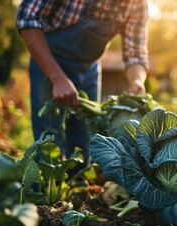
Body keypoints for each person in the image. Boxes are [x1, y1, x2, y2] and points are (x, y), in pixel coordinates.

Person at [16, 0, 149, 176]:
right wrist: (57, 78)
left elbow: (135, 53)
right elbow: (27, 20)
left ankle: (77, 194)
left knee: (84, 142)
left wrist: (137, 80)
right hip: (48, 61)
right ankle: (43, 196)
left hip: (89, 68)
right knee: (48, 141)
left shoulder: (137, 4)